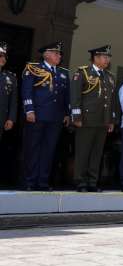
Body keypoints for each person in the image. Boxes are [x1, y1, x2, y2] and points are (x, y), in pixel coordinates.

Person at [21, 42, 68, 191]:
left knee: (49, 150)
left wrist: (67, 113)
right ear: (45, 54)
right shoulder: (33, 69)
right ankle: (30, 181)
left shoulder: (63, 73)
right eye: (56, 53)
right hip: (37, 115)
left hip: (55, 117)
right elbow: (27, 91)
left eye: (60, 54)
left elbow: (65, 96)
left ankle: (43, 181)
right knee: (33, 148)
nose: (59, 56)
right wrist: (29, 110)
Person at [70, 45, 116, 193]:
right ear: (95, 58)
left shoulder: (109, 77)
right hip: (86, 119)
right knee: (83, 151)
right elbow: (75, 96)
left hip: (102, 121)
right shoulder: (82, 72)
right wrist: (76, 116)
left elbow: (111, 101)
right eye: (104, 57)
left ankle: (92, 181)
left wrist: (111, 120)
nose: (107, 59)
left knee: (97, 153)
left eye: (108, 57)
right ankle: (80, 181)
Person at [0, 42, 18, 144]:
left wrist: (11, 119)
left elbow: (13, 101)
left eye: (5, 57)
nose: (3, 59)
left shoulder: (10, 78)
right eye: (0, 56)